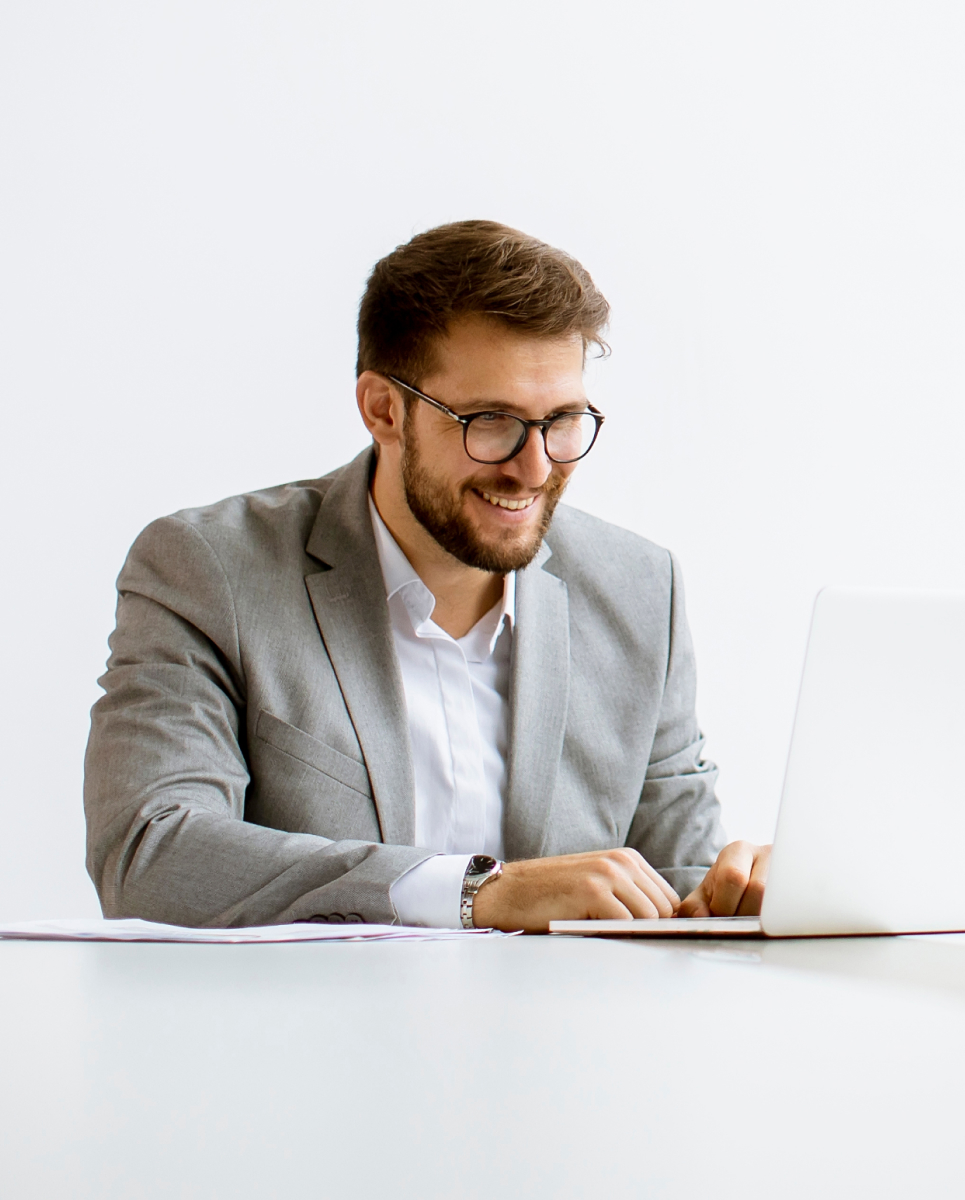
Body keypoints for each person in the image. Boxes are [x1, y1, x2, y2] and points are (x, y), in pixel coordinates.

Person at [84, 220, 771, 931]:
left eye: (562, 421)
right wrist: (477, 893)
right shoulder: (209, 570)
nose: (533, 469)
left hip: (567, 1040)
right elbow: (150, 855)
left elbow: (682, 892)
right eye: (490, 421)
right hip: (303, 1037)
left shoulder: (639, 589)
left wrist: (748, 894)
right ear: (385, 409)